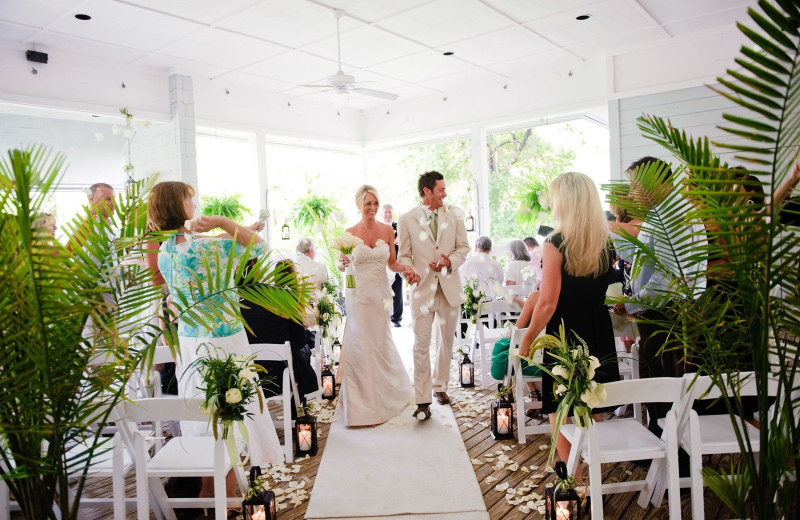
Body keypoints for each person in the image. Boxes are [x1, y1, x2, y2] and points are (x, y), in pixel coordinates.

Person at [147, 181, 284, 502]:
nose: (194, 205)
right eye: (189, 199)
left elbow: (211, 246)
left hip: (191, 344)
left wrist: (234, 230)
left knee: (206, 415)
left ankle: (211, 491)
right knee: (233, 413)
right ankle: (225, 495)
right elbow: (260, 247)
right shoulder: (204, 247)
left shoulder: (166, 249)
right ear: (178, 205)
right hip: (225, 342)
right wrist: (226, 223)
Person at [518, 172, 620, 473]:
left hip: (565, 333)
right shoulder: (606, 242)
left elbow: (548, 302)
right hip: (599, 330)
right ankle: (593, 473)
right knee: (593, 403)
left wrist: (527, 340)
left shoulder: (555, 243)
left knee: (560, 408)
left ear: (564, 201)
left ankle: (571, 480)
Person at [610, 156, 707, 435]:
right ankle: (663, 450)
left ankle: (674, 460)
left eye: (633, 186)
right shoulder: (659, 215)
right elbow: (639, 257)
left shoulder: (672, 217)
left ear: (652, 181)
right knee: (659, 385)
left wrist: (630, 302)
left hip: (670, 315)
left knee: (667, 387)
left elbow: (668, 280)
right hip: (661, 312)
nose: (629, 194)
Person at [338, 185, 417, 427]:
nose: (372, 208)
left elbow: (392, 263)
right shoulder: (349, 232)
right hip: (358, 296)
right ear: (359, 205)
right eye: (367, 204)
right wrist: (342, 264)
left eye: (375, 203)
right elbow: (343, 266)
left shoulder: (387, 230)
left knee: (381, 342)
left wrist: (406, 268)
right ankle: (363, 408)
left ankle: (386, 396)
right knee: (362, 346)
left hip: (381, 295)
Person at [398, 171, 470, 420]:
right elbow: (403, 255)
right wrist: (408, 271)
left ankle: (440, 387)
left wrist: (450, 261)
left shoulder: (455, 214)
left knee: (445, 344)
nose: (445, 194)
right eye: (441, 189)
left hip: (449, 288)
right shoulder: (406, 219)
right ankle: (423, 399)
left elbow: (464, 247)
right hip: (421, 289)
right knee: (420, 345)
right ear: (427, 191)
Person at [241, 259, 319, 408]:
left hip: (248, 379)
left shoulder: (236, 306)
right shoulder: (277, 301)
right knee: (299, 357)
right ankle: (297, 415)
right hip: (279, 376)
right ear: (258, 273)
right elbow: (301, 340)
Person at [459, 235, 504, 300]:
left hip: (468, 304)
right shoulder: (496, 265)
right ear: (490, 249)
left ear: (476, 246)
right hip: (491, 303)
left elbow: (459, 281)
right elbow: (499, 285)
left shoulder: (466, 262)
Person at [382, 203, 404, 327]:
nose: (388, 214)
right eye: (385, 212)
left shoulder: (398, 226)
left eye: (390, 212)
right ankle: (382, 316)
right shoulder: (378, 227)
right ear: (382, 214)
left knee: (398, 290)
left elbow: (403, 240)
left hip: (396, 261)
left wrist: (396, 240)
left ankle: (396, 318)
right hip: (382, 262)